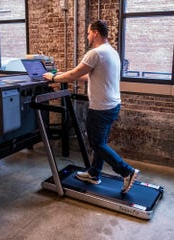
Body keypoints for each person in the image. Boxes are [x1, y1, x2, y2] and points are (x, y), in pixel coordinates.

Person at [43, 20, 139, 194]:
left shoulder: (95, 53)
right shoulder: (111, 52)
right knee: (100, 142)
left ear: (95, 32)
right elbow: (89, 76)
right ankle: (94, 173)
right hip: (112, 105)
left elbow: (74, 74)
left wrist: (53, 78)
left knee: (96, 143)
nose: (87, 36)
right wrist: (62, 76)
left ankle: (127, 171)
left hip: (101, 108)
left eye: (88, 33)